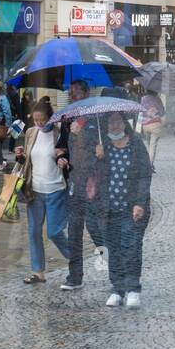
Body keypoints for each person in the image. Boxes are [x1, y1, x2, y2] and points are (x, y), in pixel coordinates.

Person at [15, 98, 71, 285]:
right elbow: (27, 161)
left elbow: (67, 158)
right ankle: (38, 272)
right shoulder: (31, 133)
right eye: (36, 120)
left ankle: (74, 258)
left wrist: (64, 161)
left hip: (56, 190)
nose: (39, 123)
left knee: (54, 232)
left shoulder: (60, 134)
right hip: (35, 191)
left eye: (43, 120)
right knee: (33, 232)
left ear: (50, 117)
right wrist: (20, 156)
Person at [101, 111, 152, 309]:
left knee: (131, 248)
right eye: (110, 121)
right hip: (107, 208)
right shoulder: (102, 146)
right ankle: (116, 289)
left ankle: (132, 289)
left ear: (124, 123)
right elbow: (85, 171)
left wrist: (140, 202)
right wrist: (95, 155)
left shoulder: (136, 144)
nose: (114, 125)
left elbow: (145, 174)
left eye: (117, 121)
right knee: (111, 249)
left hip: (131, 209)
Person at [61, 79, 103, 291]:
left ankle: (112, 264)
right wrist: (60, 157)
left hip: (93, 180)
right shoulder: (68, 117)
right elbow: (62, 146)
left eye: (77, 92)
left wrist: (84, 133)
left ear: (86, 93)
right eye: (71, 92)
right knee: (74, 229)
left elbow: (105, 144)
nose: (73, 95)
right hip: (75, 180)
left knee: (95, 227)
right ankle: (74, 277)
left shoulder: (97, 115)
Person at [139, 86, 165, 168]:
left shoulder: (143, 99)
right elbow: (162, 112)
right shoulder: (157, 99)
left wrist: (147, 113)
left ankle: (149, 162)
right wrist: (155, 112)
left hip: (145, 125)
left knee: (148, 145)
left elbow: (141, 111)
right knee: (153, 146)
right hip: (155, 125)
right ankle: (150, 164)